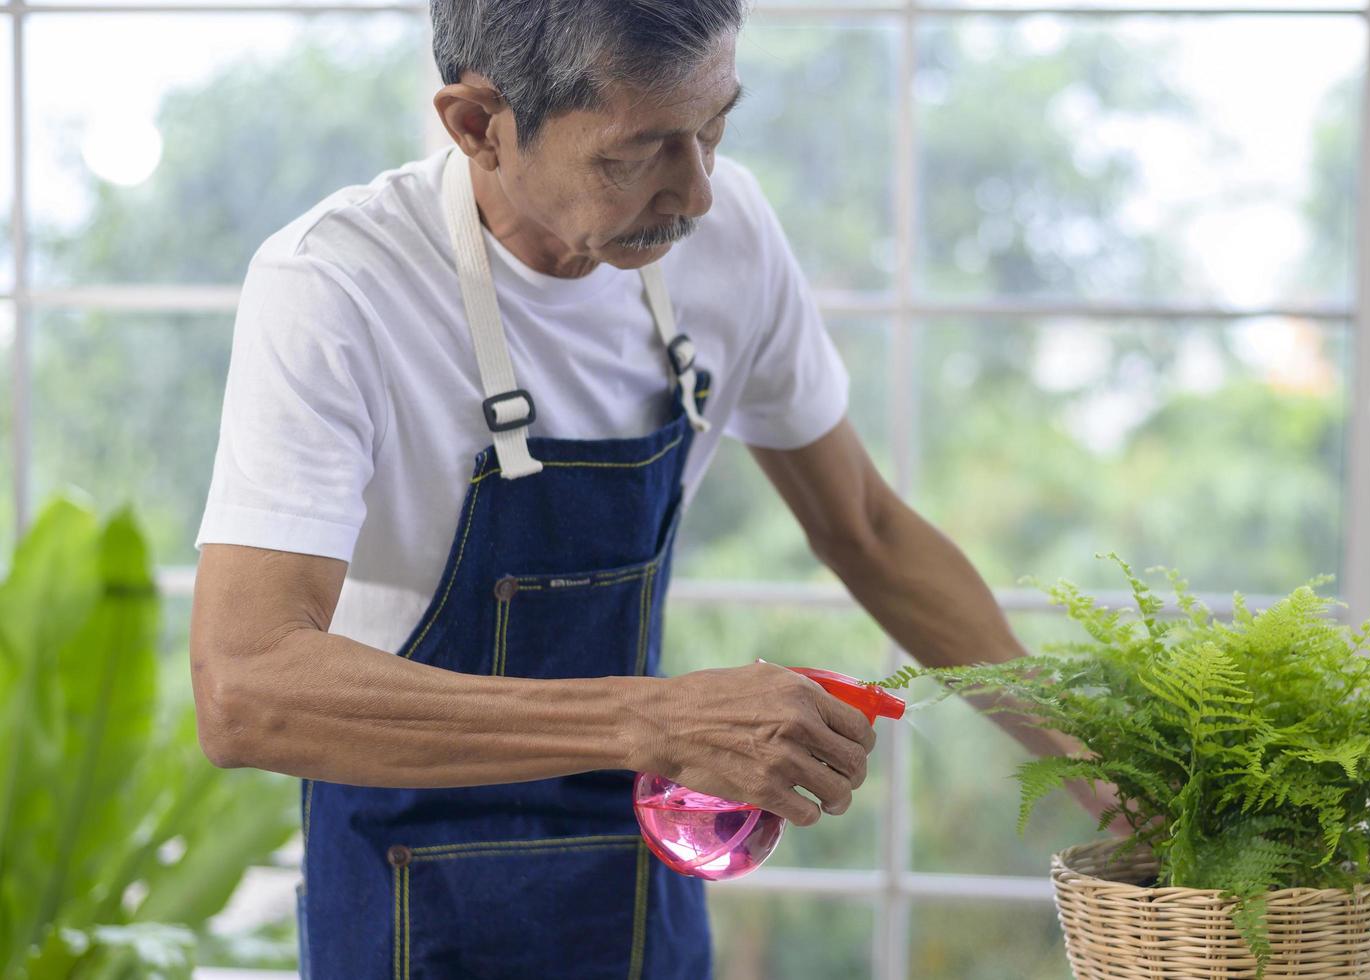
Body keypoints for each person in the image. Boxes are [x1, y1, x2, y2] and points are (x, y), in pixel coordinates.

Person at [189, 1, 1120, 976]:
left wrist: (1101, 768)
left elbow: (868, 529)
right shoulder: (337, 284)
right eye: (634, 154)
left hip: (642, 888)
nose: (699, 190)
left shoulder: (727, 235)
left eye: (713, 128)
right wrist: (648, 721)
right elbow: (246, 687)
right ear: (476, 127)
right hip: (406, 902)